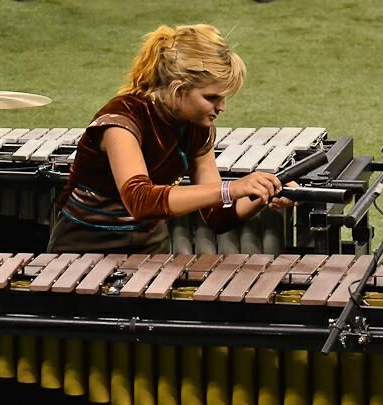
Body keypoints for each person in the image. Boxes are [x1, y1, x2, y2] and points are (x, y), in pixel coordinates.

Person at [48, 24, 293, 254]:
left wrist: (263, 192)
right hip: (84, 249)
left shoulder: (198, 128)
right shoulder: (122, 120)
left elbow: (218, 215)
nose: (222, 108)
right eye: (211, 98)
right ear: (178, 89)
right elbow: (140, 200)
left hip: (150, 248)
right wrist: (232, 188)